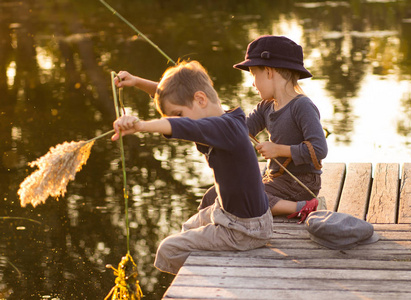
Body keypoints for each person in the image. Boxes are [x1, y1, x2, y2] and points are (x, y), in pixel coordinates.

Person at [112, 60, 273, 275]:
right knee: (188, 228)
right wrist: (137, 82)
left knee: (168, 250)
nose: (177, 120)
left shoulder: (225, 128)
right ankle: (213, 253)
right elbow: (175, 99)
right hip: (234, 215)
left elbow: (186, 126)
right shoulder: (228, 119)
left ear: (200, 99)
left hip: (245, 229)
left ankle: (218, 274)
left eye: (177, 114)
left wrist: (141, 126)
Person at [200, 35, 328, 223]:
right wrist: (215, 113)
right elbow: (241, 129)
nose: (252, 83)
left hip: (301, 184)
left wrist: (278, 150)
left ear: (268, 72)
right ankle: (200, 230)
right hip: (275, 181)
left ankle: (302, 207)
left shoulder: (302, 106)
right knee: (214, 194)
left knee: (245, 197)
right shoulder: (266, 107)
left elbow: (319, 149)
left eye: (253, 74)